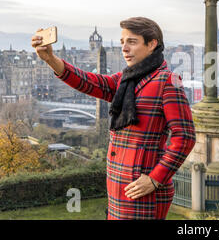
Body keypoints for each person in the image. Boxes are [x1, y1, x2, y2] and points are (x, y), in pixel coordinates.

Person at [31, 17, 196, 220]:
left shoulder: (168, 82)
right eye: (122, 42)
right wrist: (50, 59)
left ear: (152, 44)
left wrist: (155, 179)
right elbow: (88, 82)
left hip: (143, 191)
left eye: (132, 42)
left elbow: (185, 137)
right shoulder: (126, 79)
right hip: (118, 186)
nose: (124, 48)